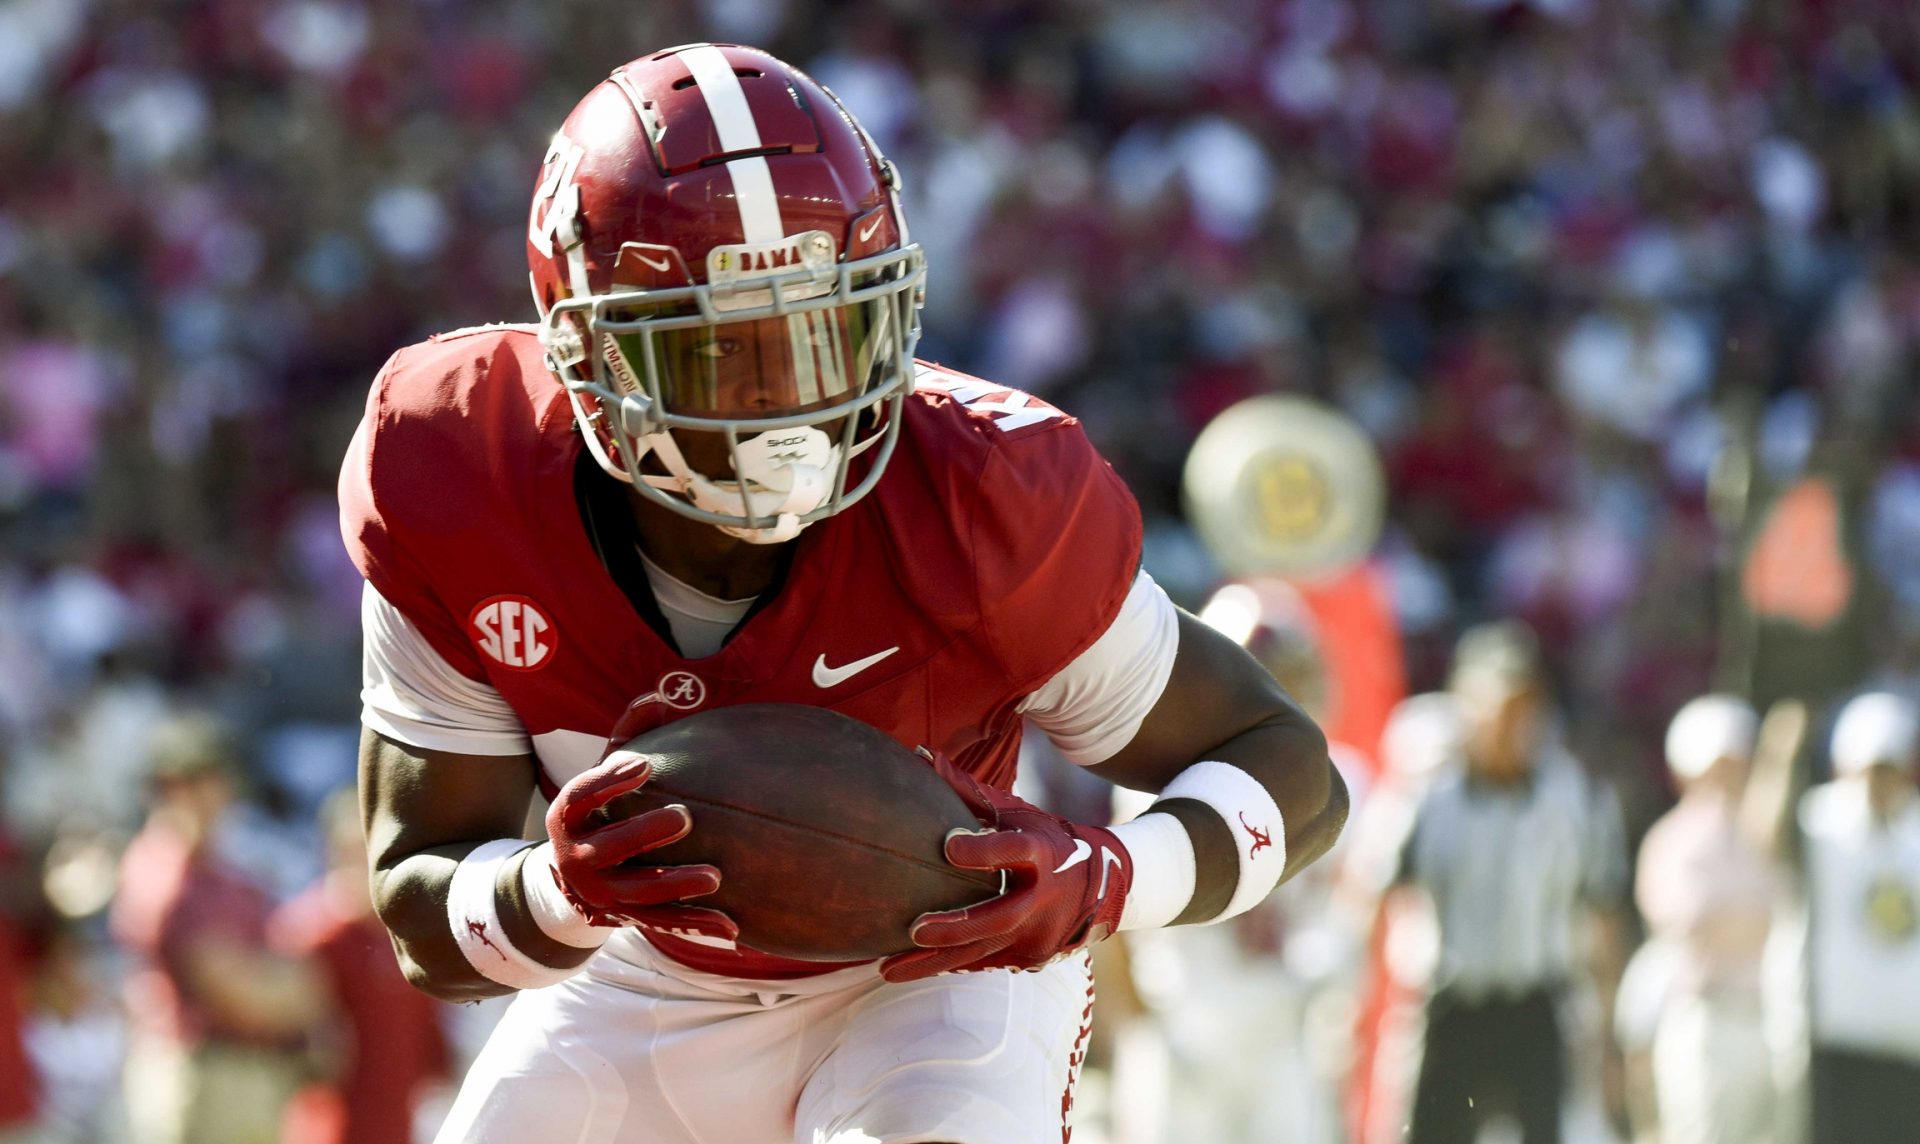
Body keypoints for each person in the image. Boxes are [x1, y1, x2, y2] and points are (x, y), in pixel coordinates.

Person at [336, 43, 1346, 1144]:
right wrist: (560, 890)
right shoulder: (455, 465)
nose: (793, 407)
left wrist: (1108, 876)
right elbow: (417, 904)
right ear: (593, 354)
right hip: (648, 975)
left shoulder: (981, 496)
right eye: (727, 352)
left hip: (937, 969)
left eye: (827, 331)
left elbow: (1291, 769)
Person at [1390, 621, 1629, 1144]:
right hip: (1453, 1001)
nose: (1509, 725)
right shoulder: (1429, 799)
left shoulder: (1576, 801)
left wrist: (1607, 1033)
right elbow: (1383, 897)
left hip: (1536, 1005)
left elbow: (1602, 915)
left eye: (1522, 706)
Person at [109, 713, 323, 1144]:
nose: (214, 798)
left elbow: (302, 975)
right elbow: (239, 996)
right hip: (200, 1073)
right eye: (196, 783)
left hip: (247, 1071)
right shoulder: (162, 873)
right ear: (168, 789)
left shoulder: (225, 873)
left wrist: (292, 985)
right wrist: (290, 989)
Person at [1631, 695, 1783, 1144]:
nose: (1730, 775)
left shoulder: (1776, 835)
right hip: (1709, 1022)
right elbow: (1696, 924)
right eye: (1719, 763)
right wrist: (1764, 923)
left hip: (1775, 1022)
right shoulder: (1672, 840)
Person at [270, 786, 450, 1144]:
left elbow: (429, 1047)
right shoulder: (311, 934)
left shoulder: (407, 933)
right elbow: (298, 1044)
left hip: (399, 1125)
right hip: (331, 1127)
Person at [1795, 692, 1920, 1144]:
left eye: (1887, 768)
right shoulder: (1815, 820)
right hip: (1839, 1041)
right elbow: (1763, 841)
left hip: (1909, 1044)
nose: (1876, 783)